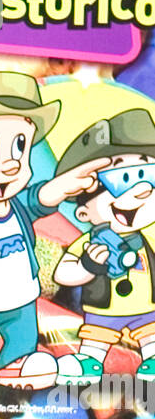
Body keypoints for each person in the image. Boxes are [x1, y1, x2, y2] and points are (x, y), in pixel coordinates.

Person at [0, 72, 109, 392]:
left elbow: (40, 199)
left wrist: (63, 185)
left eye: (19, 146)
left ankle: (16, 361)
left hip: (22, 297)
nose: (10, 163)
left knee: (22, 332)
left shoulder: (19, 206)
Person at [51, 109, 155, 379]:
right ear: (83, 213)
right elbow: (63, 273)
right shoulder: (88, 242)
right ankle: (89, 361)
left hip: (148, 312)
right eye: (122, 181)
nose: (142, 192)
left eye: (150, 177)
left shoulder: (148, 237)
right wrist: (87, 265)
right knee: (96, 339)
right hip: (102, 311)